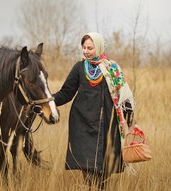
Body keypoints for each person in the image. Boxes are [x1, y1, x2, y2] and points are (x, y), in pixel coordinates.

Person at [54, 32, 134, 189]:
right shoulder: (78, 67)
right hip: (82, 124)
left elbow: (123, 95)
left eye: (89, 48)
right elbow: (66, 92)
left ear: (98, 47)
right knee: (88, 169)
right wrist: (48, 101)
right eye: (84, 47)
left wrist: (129, 121)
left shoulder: (112, 68)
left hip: (107, 126)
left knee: (104, 169)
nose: (86, 51)